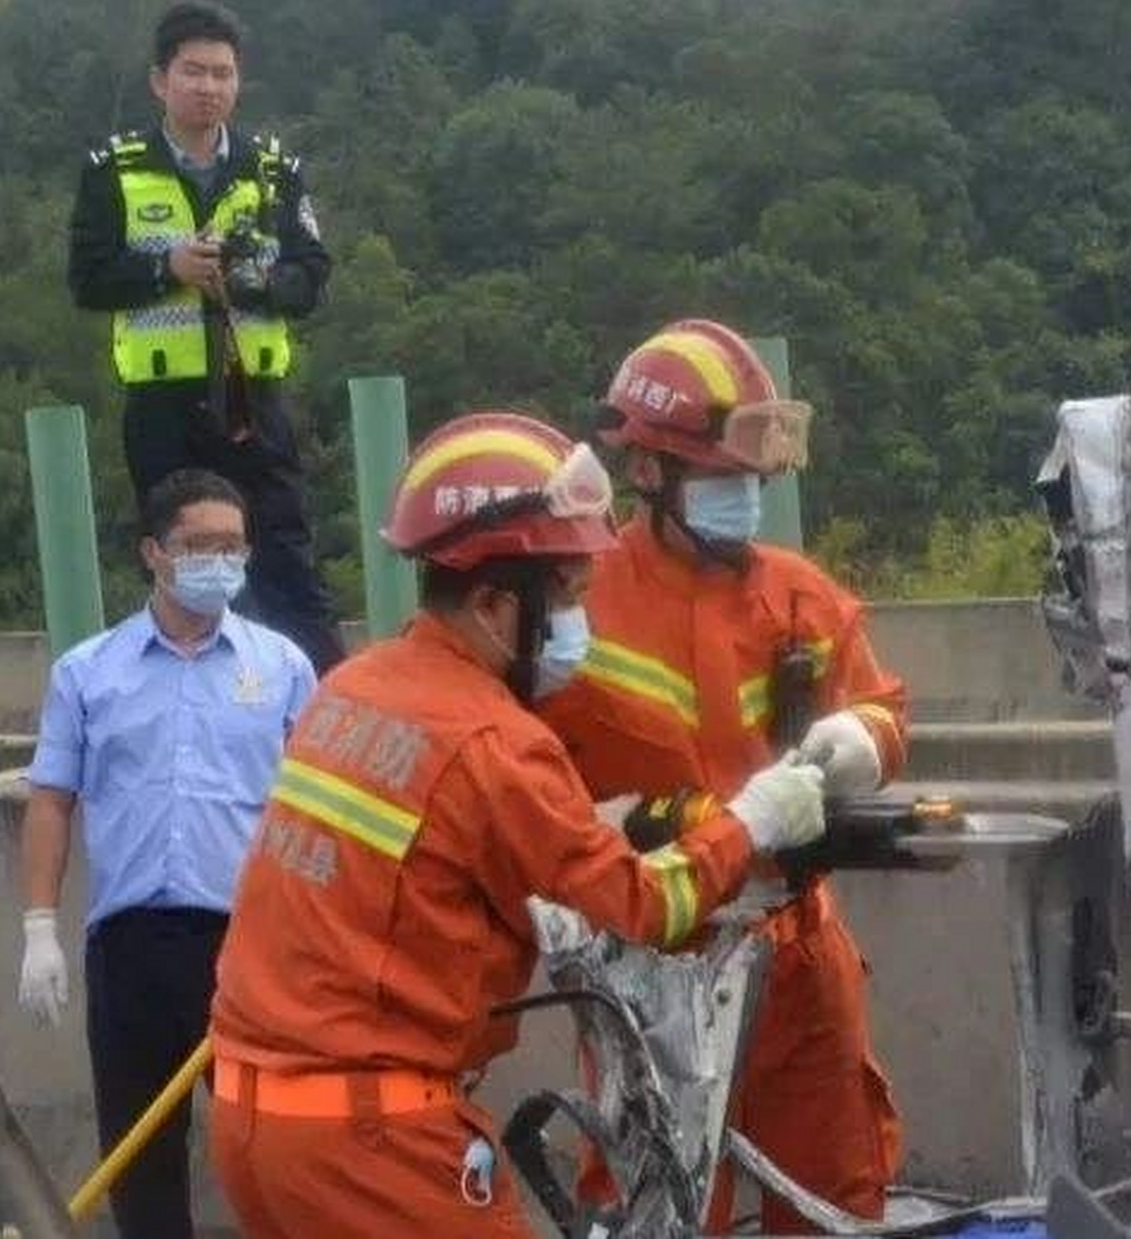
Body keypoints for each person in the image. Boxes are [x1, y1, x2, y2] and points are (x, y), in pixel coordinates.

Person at [204, 411, 830, 1239]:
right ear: (498, 604)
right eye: (568, 594)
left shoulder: (354, 689)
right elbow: (644, 907)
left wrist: (578, 825)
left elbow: (422, 857)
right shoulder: (494, 740)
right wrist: (752, 820)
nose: (582, 620)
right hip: (374, 1142)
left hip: (255, 1123)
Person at [538, 319, 908, 1231]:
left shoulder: (797, 592)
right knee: (657, 1199)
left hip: (798, 946)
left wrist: (860, 741)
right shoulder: (582, 603)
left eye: (752, 482)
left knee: (833, 1190)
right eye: (721, 480)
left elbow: (881, 706)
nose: (743, 498)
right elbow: (535, 788)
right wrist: (651, 822)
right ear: (651, 473)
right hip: (658, 953)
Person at [13, 468, 316, 1239]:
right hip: (132, 948)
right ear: (154, 552)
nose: (219, 561)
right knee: (141, 1160)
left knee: (278, 1150)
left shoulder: (281, 667)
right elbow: (52, 798)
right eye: (198, 545)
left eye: (232, 546)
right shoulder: (89, 673)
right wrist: (39, 929)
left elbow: (316, 810)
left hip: (249, 946)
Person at [65, 0, 342, 674]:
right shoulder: (114, 170)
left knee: (282, 552)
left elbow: (312, 276)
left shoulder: (274, 170)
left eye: (223, 73)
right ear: (160, 80)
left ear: (238, 82)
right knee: (181, 560)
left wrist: (253, 281)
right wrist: (169, 269)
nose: (209, 87)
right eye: (194, 72)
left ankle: (325, 708)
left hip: (254, 399)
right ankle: (192, 697)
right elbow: (89, 280)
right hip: (163, 401)